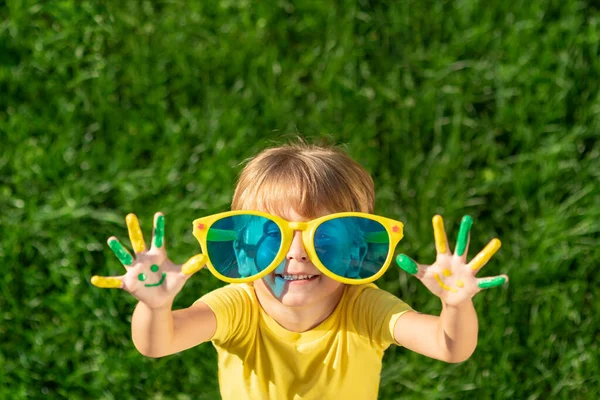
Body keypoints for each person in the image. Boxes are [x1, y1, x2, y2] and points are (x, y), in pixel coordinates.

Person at [91, 141, 508, 400]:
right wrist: (155, 306)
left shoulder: (365, 309)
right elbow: (158, 343)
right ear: (240, 245)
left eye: (325, 237)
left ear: (359, 244)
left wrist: (455, 305)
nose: (297, 253)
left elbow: (450, 347)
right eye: (271, 236)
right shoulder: (238, 305)